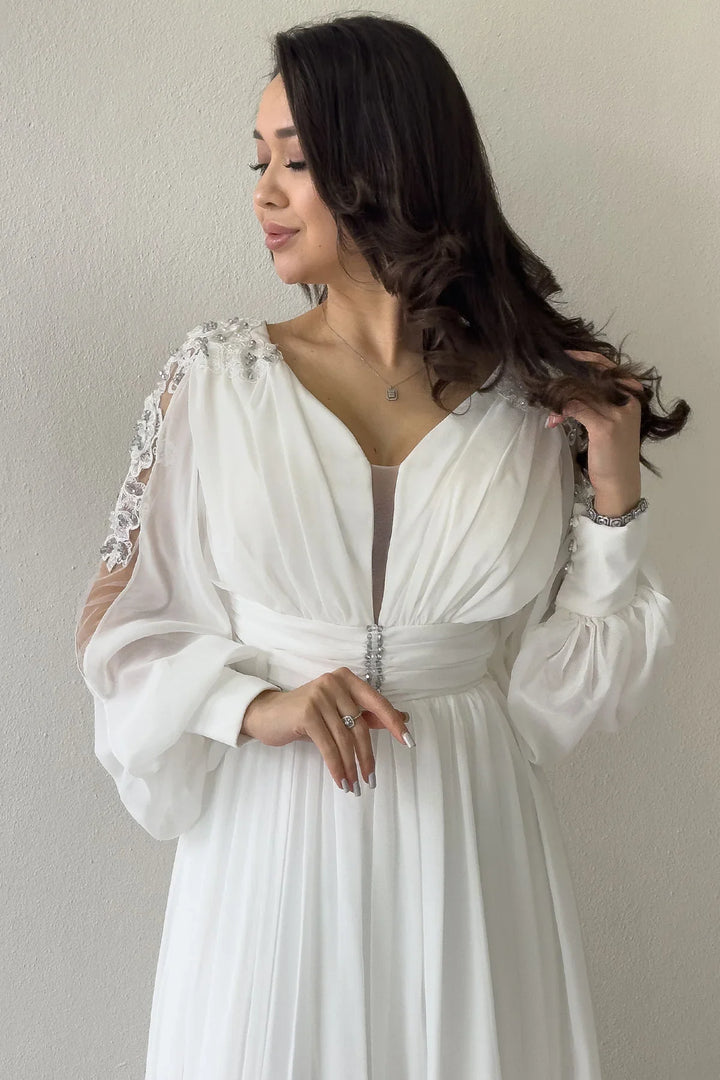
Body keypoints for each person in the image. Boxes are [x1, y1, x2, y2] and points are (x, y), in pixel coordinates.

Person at [74, 14, 688, 1080]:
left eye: (295, 161)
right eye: (258, 162)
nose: (263, 195)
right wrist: (252, 705)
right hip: (272, 848)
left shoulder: (527, 403)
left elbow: (551, 703)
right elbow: (122, 633)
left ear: (382, 165)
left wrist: (614, 491)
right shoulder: (215, 383)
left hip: (472, 846)